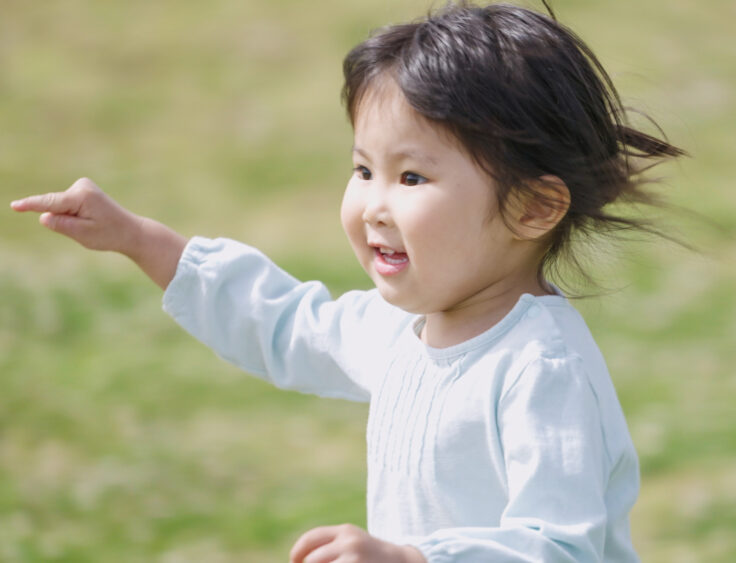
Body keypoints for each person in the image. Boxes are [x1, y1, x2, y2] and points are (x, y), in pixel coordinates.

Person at [11, 2, 684, 561]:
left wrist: (413, 556)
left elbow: (559, 545)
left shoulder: (540, 366)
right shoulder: (401, 330)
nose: (374, 205)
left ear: (533, 207)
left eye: (411, 177)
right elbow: (285, 325)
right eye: (364, 170)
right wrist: (140, 239)